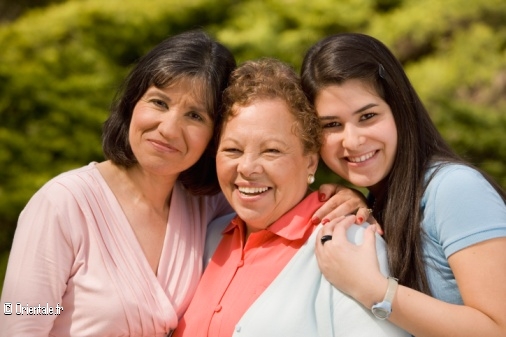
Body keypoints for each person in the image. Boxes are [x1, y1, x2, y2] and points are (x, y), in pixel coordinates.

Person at [0, 31, 367, 336]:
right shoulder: (63, 205)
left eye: (194, 115)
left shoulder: (208, 208)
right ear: (132, 104)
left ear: (213, 136)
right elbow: (20, 314)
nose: (169, 128)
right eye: (159, 103)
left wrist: (341, 194)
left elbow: (275, 198)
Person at [173, 58, 409, 337]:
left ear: (310, 162)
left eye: (271, 151)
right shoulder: (209, 236)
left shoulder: (351, 241)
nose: (247, 168)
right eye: (233, 150)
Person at [301, 32, 506, 336]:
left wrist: (372, 289)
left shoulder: (454, 189)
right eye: (331, 125)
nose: (353, 140)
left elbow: (498, 327)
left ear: (399, 110)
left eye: (368, 116)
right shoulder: (378, 203)